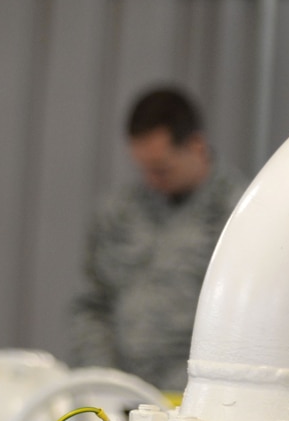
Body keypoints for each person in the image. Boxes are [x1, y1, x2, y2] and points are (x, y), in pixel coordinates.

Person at [72, 86, 245, 393]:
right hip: (116, 398)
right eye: (144, 169)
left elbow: (248, 323)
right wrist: (104, 381)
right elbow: (91, 303)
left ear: (196, 146)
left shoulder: (242, 214)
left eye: (162, 169)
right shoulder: (118, 212)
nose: (152, 180)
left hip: (197, 400)